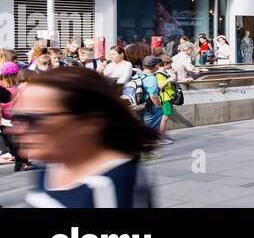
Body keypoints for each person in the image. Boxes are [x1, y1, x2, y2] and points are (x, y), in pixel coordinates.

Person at [11, 66, 159, 207]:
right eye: (19, 117)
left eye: (34, 119)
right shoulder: (55, 164)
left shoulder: (109, 187)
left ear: (89, 122)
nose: (16, 130)